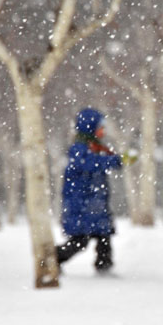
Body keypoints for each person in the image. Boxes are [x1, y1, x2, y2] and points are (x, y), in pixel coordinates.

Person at [55, 108, 123, 273]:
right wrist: (112, 160)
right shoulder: (79, 147)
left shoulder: (95, 146)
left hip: (94, 204)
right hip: (81, 204)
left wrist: (117, 160)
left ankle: (104, 266)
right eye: (100, 127)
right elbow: (89, 163)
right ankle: (53, 259)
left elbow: (99, 162)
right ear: (90, 127)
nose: (103, 130)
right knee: (80, 240)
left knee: (104, 237)